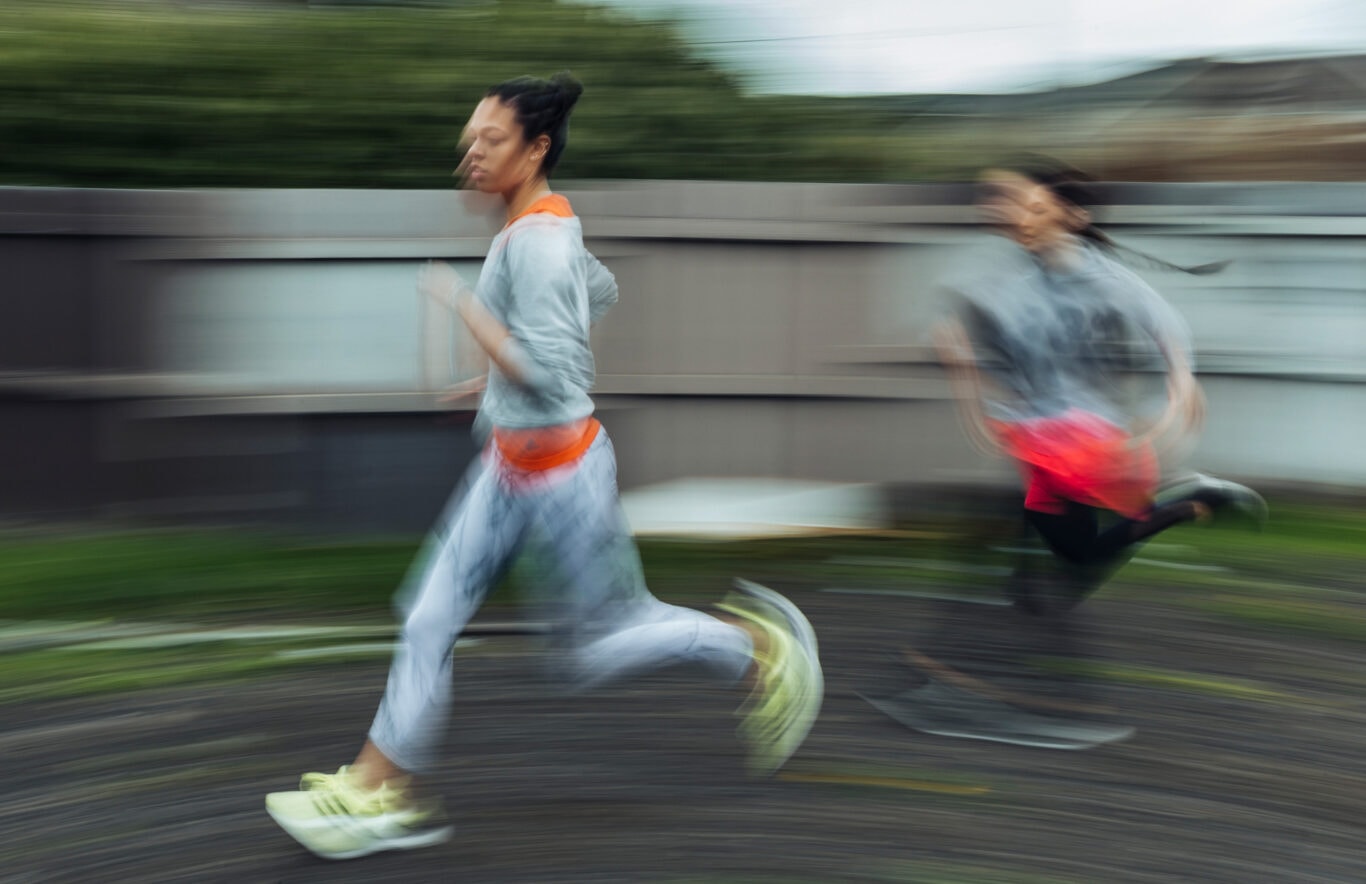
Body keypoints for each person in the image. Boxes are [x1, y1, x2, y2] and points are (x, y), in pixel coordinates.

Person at [265, 72, 822, 861]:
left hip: (565, 479)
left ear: (536, 148)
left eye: (489, 141)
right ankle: (381, 791)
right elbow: (600, 291)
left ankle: (761, 651)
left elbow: (558, 376)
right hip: (505, 467)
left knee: (597, 648)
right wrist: (495, 373)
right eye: (468, 142)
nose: (470, 155)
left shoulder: (543, 241)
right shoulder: (538, 228)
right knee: (427, 617)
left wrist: (467, 311)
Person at [864, 157, 1265, 747]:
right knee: (1056, 570)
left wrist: (1181, 389)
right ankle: (1189, 504)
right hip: (1036, 440)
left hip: (1083, 442)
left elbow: (1165, 324)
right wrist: (964, 368)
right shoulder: (1014, 279)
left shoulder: (1099, 275)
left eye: (1035, 206)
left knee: (1022, 572)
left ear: (1072, 216)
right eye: (1014, 205)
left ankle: (1015, 697)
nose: (1021, 217)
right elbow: (991, 349)